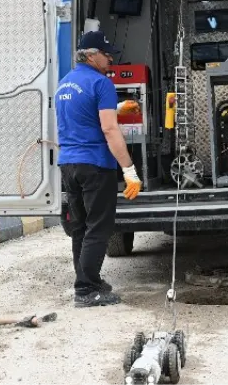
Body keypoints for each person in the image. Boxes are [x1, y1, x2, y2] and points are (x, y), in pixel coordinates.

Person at [55, 30, 143, 308]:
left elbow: (83, 116)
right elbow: (108, 128)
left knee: (80, 226)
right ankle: (86, 289)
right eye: (106, 55)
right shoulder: (101, 83)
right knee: (99, 227)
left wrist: (115, 108)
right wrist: (128, 169)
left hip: (69, 164)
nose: (110, 60)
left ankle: (87, 280)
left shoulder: (65, 84)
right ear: (92, 56)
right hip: (95, 164)